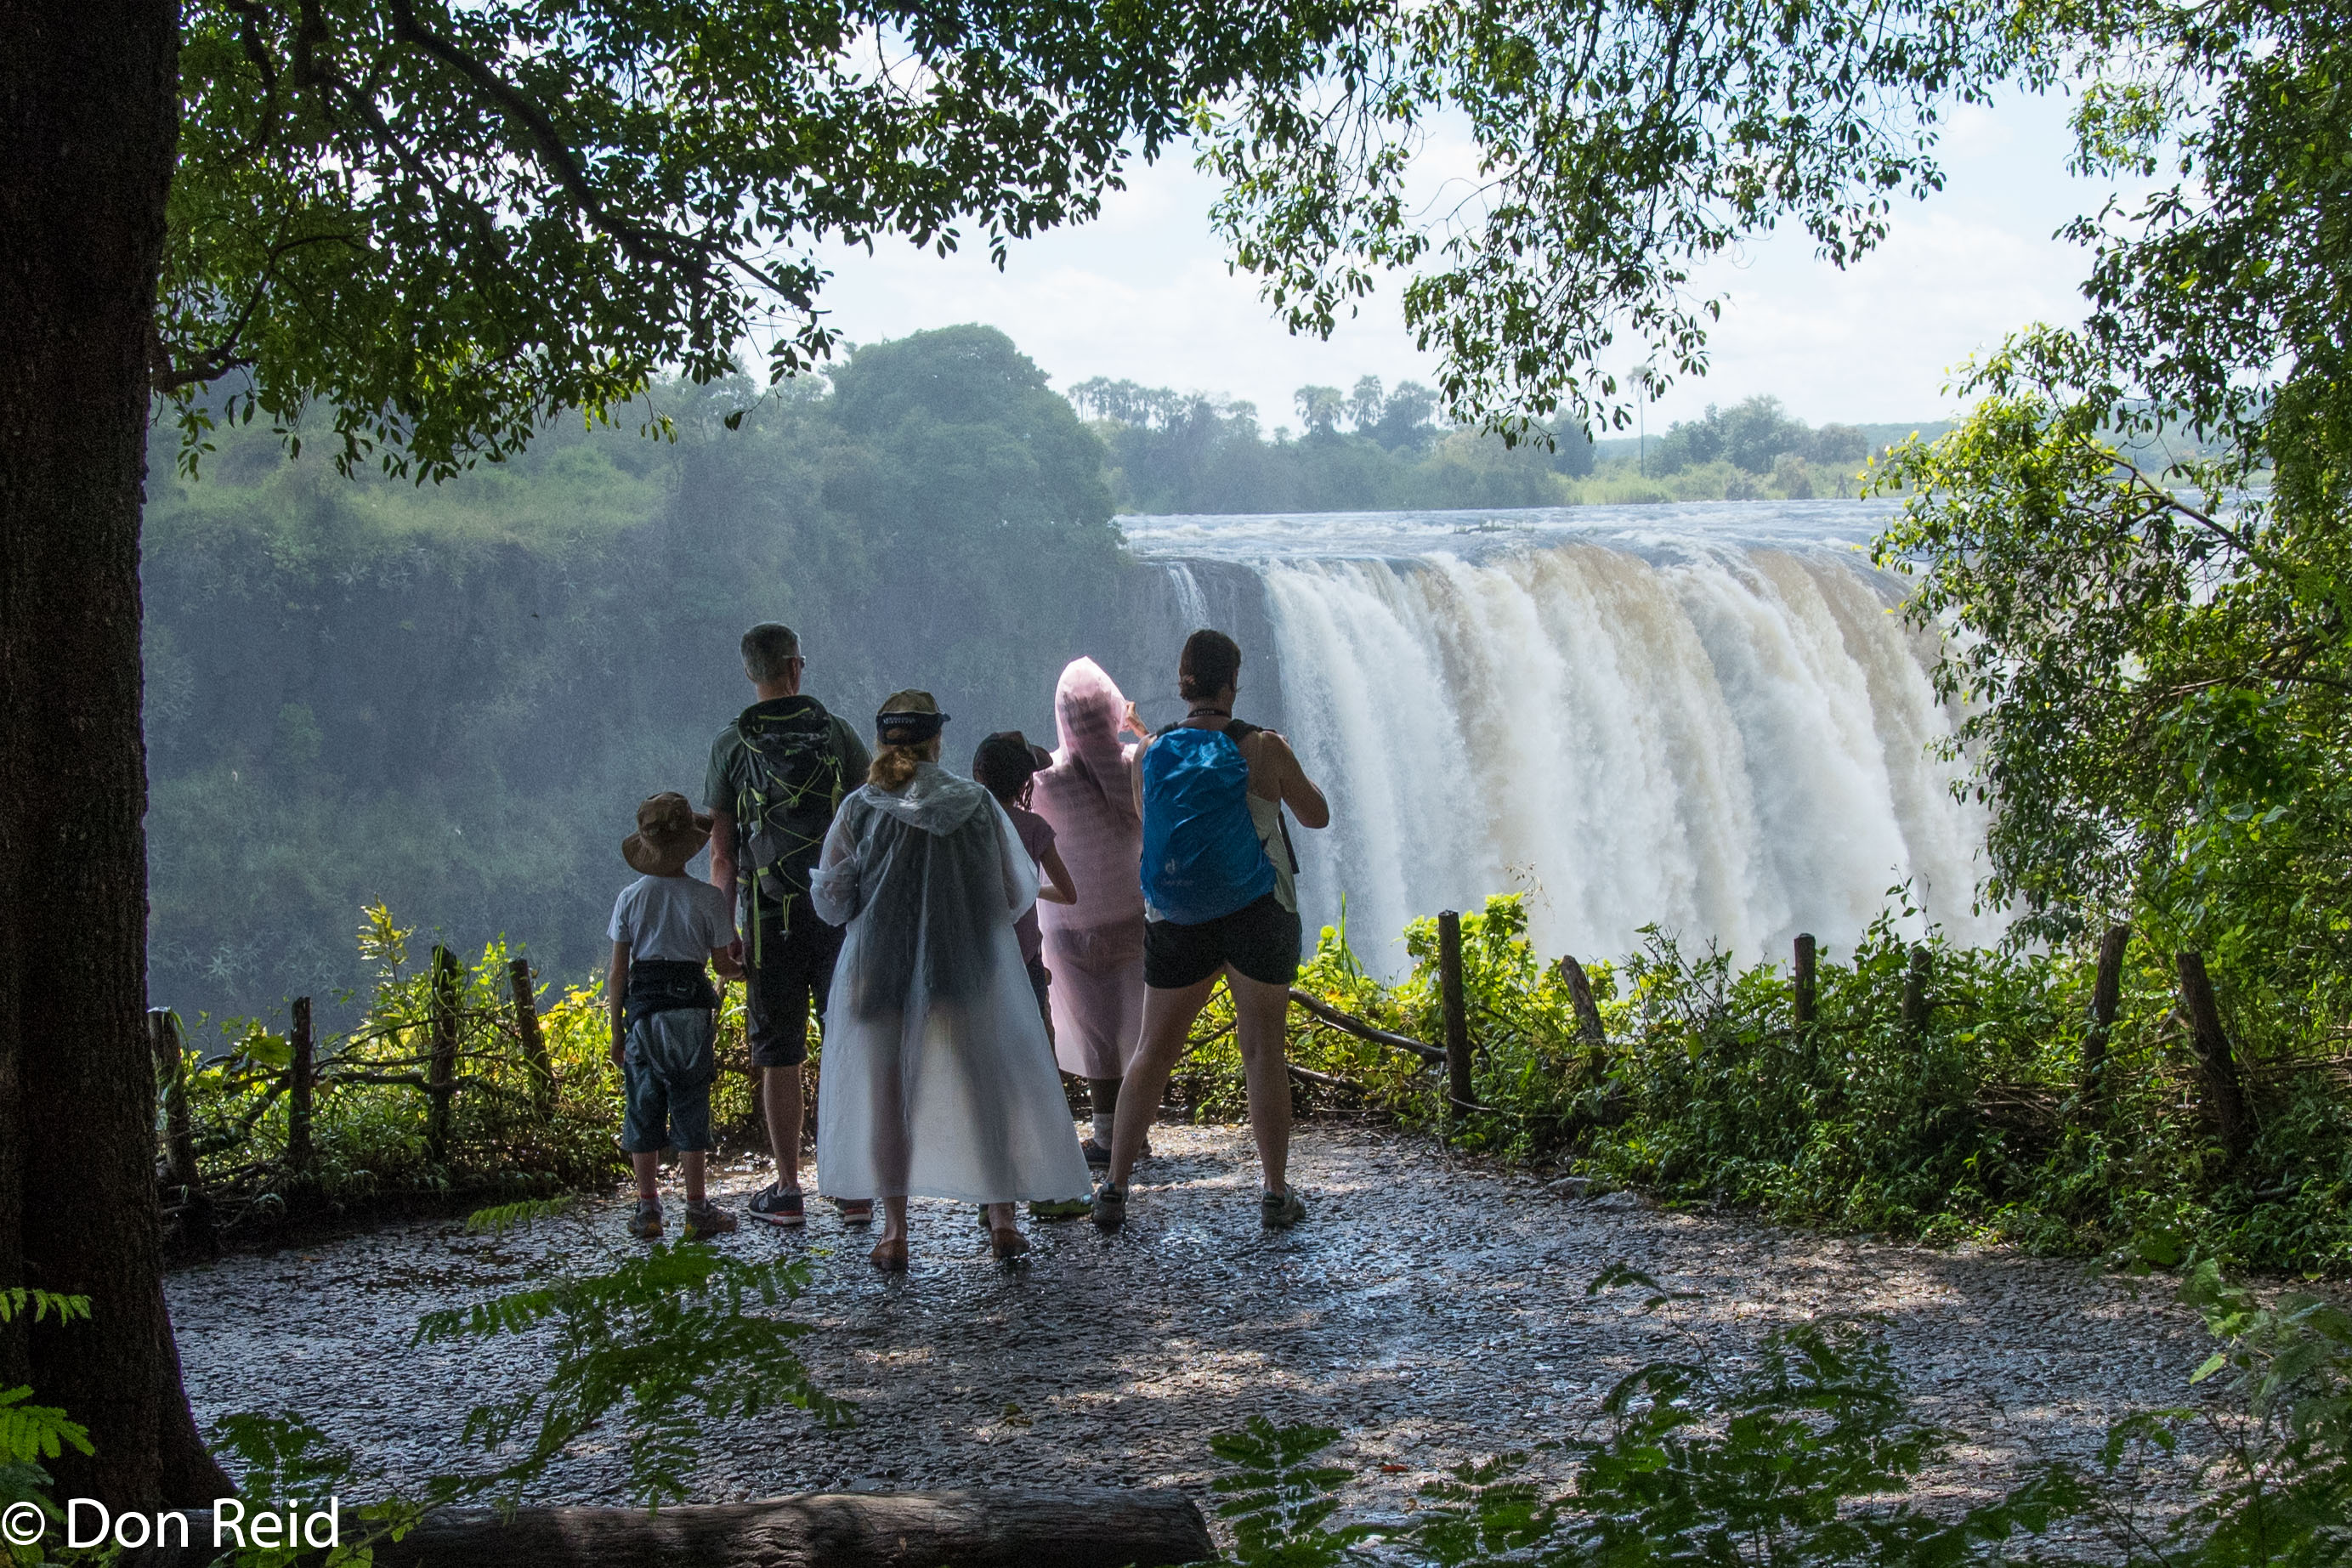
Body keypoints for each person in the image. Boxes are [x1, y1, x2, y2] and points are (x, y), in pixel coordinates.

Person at [809, 692, 1096, 1271]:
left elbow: (832, 902)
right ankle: (1003, 1221)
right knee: (982, 1089)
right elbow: (1015, 892)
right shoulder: (974, 804)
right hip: (963, 964)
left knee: (889, 1098)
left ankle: (894, 1231)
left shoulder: (859, 808)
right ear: (937, 741)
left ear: (883, 741)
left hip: (878, 967)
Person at [1093, 630, 1329, 1232]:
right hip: (1258, 912)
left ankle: (1115, 1187)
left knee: (1152, 1050)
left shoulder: (1150, 753)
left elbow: (1150, 823)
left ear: (1182, 683)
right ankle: (1275, 1192)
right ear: (1233, 682)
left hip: (1177, 916)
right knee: (1261, 1050)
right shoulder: (1262, 747)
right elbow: (1316, 814)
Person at [706, 623, 871, 1228]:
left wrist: (723, 930)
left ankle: (788, 1189)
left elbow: (723, 854)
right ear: (795, 668)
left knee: (779, 1052)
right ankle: (853, 1186)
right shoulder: (836, 732)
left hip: (766, 916)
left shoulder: (730, 746)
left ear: (752, 673)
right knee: (844, 1042)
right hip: (838, 915)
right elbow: (867, 822)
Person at [1029, 658, 1150, 1167]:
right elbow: (1162, 760)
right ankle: (1133, 1132)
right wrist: (1140, 731)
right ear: (1112, 713)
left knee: (1097, 1034)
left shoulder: (1046, 779)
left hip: (1069, 928)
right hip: (1131, 920)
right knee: (1133, 1031)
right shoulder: (1135, 766)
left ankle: (1106, 1138)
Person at [608, 792, 745, 1241]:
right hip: (690, 1014)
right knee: (690, 1106)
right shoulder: (707, 898)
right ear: (689, 843)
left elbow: (617, 973)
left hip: (643, 1016)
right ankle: (697, 1209)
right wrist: (744, 971)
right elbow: (723, 966)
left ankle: (648, 1210)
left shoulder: (629, 898)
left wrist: (615, 1031)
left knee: (642, 1108)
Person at [970, 730, 1080, 1030]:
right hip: (1025, 954)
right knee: (1036, 1042)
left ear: (980, 774)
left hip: (978, 953)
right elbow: (1068, 893)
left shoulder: (967, 825)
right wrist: (1032, 889)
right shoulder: (1034, 828)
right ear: (1023, 782)